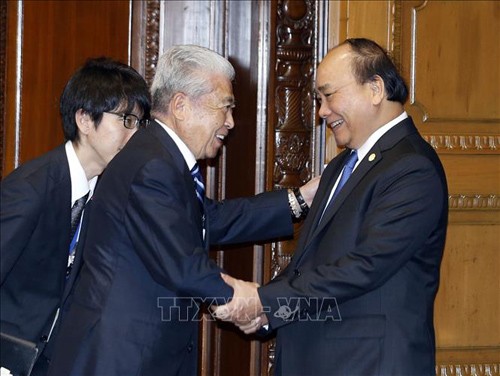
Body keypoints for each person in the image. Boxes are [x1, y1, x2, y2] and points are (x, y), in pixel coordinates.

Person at [46, 44, 318, 376]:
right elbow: (183, 267)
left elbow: (208, 219)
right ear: (181, 106)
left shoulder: (158, 156)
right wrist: (256, 301)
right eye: (225, 107)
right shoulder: (153, 165)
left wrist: (298, 199)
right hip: (117, 359)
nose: (231, 122)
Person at [215, 38, 448, 375]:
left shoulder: (411, 168)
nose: (322, 111)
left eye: (329, 95)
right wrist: (267, 308)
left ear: (375, 89)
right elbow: (310, 262)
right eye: (318, 100)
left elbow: (365, 266)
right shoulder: (342, 167)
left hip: (368, 364)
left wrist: (266, 301)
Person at [0, 57, 151, 375]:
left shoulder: (106, 193)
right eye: (126, 120)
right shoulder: (31, 189)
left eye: (139, 123)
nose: (135, 134)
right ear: (84, 119)